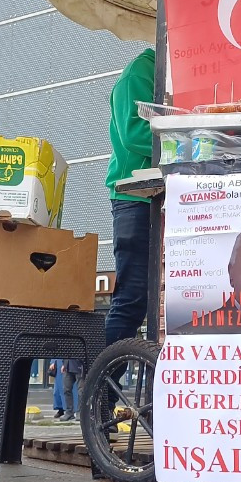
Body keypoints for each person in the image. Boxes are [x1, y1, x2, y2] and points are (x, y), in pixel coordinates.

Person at [105, 49, 155, 344]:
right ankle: (102, 387)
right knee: (133, 296)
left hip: (159, 197)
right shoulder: (139, 72)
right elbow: (133, 133)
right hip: (135, 198)